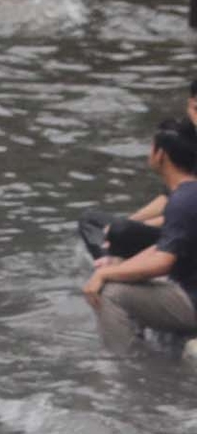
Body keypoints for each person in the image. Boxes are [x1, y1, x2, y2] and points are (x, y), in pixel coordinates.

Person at [84, 123, 197, 341]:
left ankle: (120, 366)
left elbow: (162, 263)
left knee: (110, 293)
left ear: (161, 154)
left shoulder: (183, 200)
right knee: (119, 277)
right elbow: (160, 246)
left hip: (193, 300)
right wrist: (117, 267)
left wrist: (104, 274)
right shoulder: (189, 195)